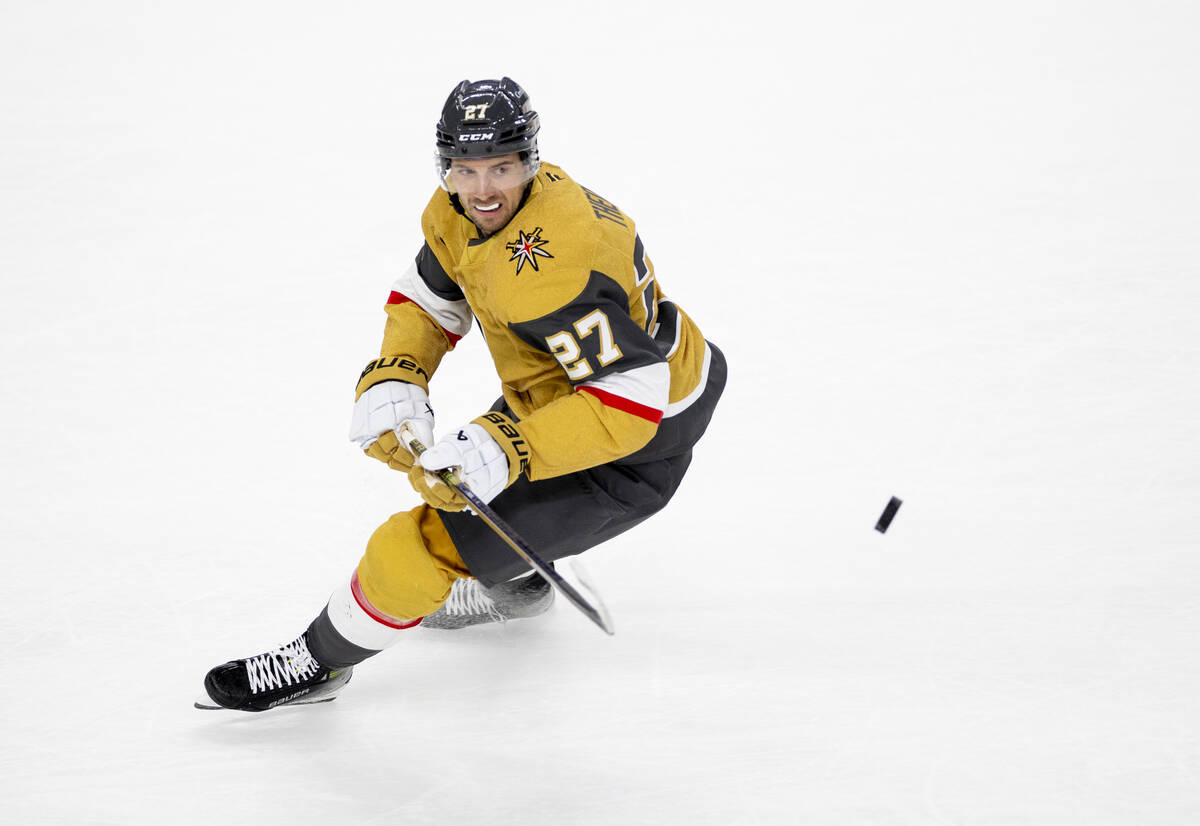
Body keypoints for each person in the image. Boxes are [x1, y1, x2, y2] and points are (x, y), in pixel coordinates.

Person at [200, 77, 727, 712]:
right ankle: (521, 576)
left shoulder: (558, 261)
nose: (481, 190)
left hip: (631, 446)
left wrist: (512, 446)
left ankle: (317, 664)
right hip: (572, 392)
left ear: (529, 159)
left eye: (500, 167)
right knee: (449, 477)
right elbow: (432, 293)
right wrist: (399, 370)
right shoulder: (460, 209)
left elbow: (630, 399)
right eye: (465, 168)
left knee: (419, 544)